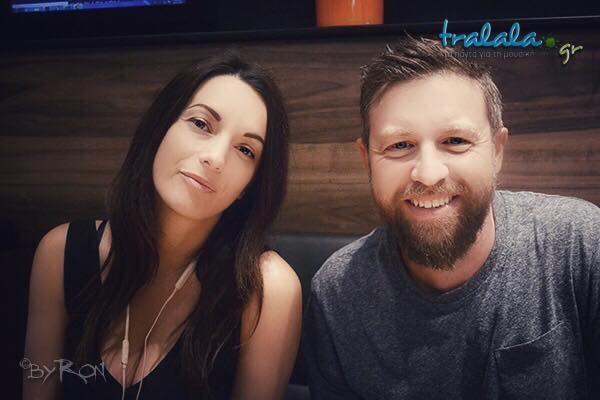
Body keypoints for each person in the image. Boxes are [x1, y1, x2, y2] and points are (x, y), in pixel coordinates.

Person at [304, 37, 599, 399]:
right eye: (399, 145)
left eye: (456, 141)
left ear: (497, 151)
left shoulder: (579, 247)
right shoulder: (338, 294)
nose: (428, 174)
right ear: (367, 160)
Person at [23, 53, 302, 400]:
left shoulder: (266, 289)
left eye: (245, 150)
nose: (215, 158)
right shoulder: (61, 254)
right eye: (201, 124)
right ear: (161, 128)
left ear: (250, 184)